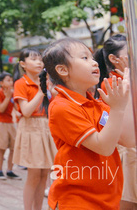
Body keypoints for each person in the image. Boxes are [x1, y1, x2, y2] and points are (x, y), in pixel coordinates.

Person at [41, 38, 134, 210]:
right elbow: (104, 147)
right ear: (62, 70)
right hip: (77, 201)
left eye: (92, 58)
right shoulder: (62, 106)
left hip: (106, 199)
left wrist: (127, 94)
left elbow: (128, 140)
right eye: (84, 58)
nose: (94, 63)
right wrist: (118, 109)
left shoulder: (97, 104)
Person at [94, 35, 137, 209]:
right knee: (128, 200)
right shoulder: (112, 83)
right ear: (114, 59)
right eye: (131, 53)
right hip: (127, 150)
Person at [13, 48, 56, 210]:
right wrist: (41, 91)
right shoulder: (20, 83)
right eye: (34, 59)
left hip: (47, 127)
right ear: (23, 64)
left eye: (40, 59)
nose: (39, 62)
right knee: (33, 175)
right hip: (31, 128)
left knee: (45, 173)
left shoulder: (47, 81)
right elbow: (26, 111)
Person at [0, 71, 21, 180]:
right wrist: (8, 97)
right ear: (1, 83)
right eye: (8, 80)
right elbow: (1, 109)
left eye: (11, 80)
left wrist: (20, 112)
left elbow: (17, 108)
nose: (11, 82)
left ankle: (9, 170)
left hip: (10, 122)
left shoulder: (12, 93)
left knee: (14, 147)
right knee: (1, 148)